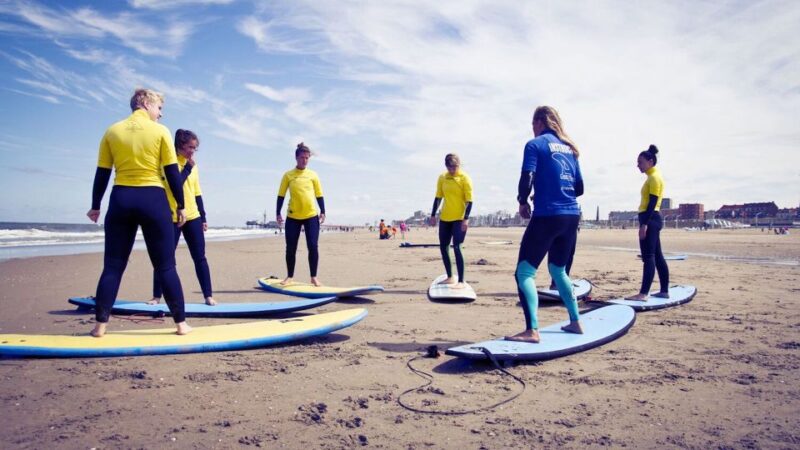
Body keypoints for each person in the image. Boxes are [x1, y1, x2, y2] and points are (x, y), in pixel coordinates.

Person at [86, 88, 191, 337]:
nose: (161, 114)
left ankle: (100, 326)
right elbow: (172, 173)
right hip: (153, 200)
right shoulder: (160, 132)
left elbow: (102, 172)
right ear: (145, 103)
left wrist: (95, 205)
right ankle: (181, 325)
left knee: (112, 266)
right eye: (159, 108)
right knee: (165, 266)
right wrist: (181, 205)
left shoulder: (112, 131)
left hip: (121, 198)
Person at [506, 106, 583, 343]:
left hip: (547, 215)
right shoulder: (570, 149)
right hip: (571, 216)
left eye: (532, 124)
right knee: (558, 270)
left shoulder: (535, 145)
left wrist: (522, 201)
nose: (532, 129)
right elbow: (579, 188)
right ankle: (575, 321)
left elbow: (527, 176)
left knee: (524, 272)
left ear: (540, 122)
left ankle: (532, 330)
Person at [148, 129, 216, 306]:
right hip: (172, 217)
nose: (192, 151)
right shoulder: (168, 163)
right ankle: (156, 297)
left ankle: (208, 295)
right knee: (165, 258)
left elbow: (197, 192)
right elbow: (174, 184)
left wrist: (203, 217)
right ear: (179, 145)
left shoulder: (193, 166)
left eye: (195, 148)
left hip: (192, 216)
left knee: (200, 257)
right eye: (189, 147)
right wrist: (187, 168)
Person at [276, 143, 326, 286]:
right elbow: (281, 195)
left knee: (313, 246)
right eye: (302, 157)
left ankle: (314, 277)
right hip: (293, 217)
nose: (305, 160)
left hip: (311, 216)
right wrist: (278, 213)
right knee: (290, 248)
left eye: (307, 158)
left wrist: (323, 211)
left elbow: (319, 194)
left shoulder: (313, 175)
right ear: (296, 157)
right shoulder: (288, 175)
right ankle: (289, 276)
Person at [625, 145, 670, 301]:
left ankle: (643, 294)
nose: (638, 165)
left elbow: (652, 202)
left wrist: (644, 225)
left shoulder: (654, 178)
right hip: (652, 219)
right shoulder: (652, 177)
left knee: (648, 256)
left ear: (650, 161)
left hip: (650, 219)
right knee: (657, 256)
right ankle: (664, 291)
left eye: (640, 162)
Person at [429, 153, 473, 289]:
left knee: (457, 247)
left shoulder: (464, 178)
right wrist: (433, 215)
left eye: (455, 167)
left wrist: (466, 219)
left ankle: (461, 281)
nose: (453, 170)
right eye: (450, 168)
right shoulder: (442, 178)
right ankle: (450, 277)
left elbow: (469, 200)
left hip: (459, 219)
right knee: (443, 247)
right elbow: (438, 197)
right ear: (446, 166)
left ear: (459, 165)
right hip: (445, 218)